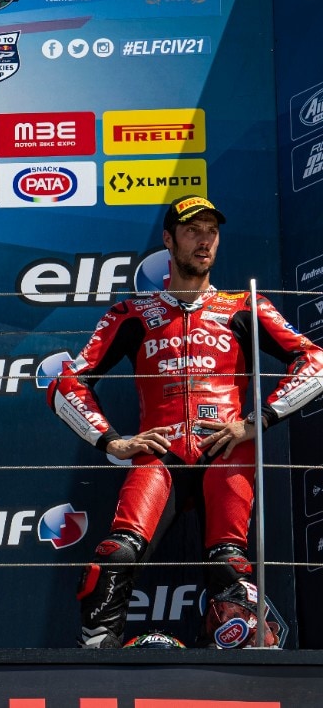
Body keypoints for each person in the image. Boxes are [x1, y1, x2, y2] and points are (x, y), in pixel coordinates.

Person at [48, 195, 323, 648]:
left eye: (211, 231)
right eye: (193, 230)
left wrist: (256, 421)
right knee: (114, 558)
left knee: (230, 567)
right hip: (161, 455)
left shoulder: (244, 305)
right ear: (168, 239)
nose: (204, 240)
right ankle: (97, 663)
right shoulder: (131, 313)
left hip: (226, 452)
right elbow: (66, 384)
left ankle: (232, 663)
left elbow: (315, 361)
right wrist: (113, 441)